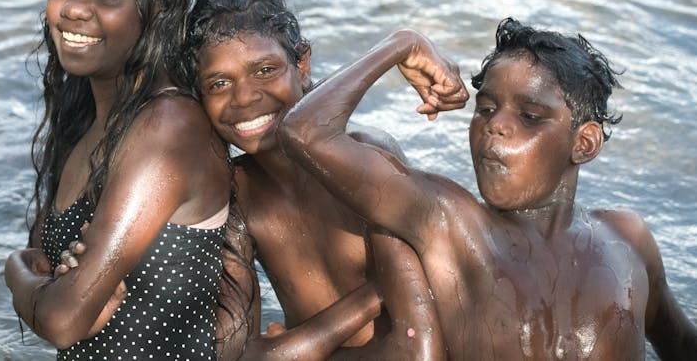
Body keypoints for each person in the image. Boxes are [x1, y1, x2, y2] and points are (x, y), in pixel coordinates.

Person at [279, 18, 697, 359]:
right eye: (486, 109)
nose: (495, 125)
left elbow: (680, 344)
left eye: (530, 115)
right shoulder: (450, 225)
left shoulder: (628, 239)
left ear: (583, 143)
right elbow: (304, 131)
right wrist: (402, 43)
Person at [4, 0, 232, 360]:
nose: (75, 9)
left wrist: (14, 274)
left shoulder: (168, 127)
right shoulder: (87, 114)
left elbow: (65, 319)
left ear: (158, 7)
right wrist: (44, 283)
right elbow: (45, 267)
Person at [187, 0, 444, 360]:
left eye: (265, 69)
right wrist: (376, 294)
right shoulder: (235, 193)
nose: (243, 97)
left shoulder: (365, 157)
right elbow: (237, 355)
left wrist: (296, 348)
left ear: (302, 64)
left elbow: (418, 345)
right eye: (219, 83)